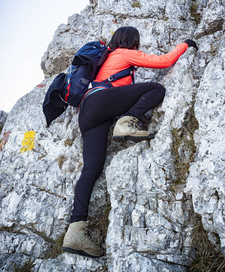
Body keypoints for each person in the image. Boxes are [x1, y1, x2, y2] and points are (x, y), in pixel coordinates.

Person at [62, 26, 197, 257]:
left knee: (91, 170)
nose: (138, 45)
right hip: (102, 102)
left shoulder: (104, 62)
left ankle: (75, 230)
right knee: (156, 88)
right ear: (130, 40)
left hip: (87, 113)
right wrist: (186, 44)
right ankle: (127, 121)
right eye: (137, 41)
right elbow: (165, 61)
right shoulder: (123, 53)